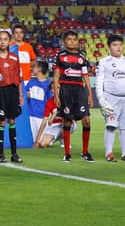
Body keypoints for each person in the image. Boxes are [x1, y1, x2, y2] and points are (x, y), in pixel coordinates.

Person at [95, 34, 125, 162]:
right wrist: (101, 99)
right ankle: (108, 153)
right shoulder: (104, 62)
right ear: (109, 47)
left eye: (120, 45)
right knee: (111, 125)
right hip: (111, 98)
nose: (118, 48)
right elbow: (99, 82)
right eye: (115, 45)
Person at [53, 29, 95, 163]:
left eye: (74, 39)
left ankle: (85, 152)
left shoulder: (82, 57)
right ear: (64, 42)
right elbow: (56, 76)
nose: (72, 41)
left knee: (86, 120)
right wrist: (56, 95)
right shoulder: (59, 56)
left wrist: (90, 94)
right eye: (69, 39)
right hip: (65, 89)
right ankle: (67, 153)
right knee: (67, 121)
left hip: (79, 89)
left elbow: (85, 75)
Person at [0, 28, 23, 164]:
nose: (2, 42)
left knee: (12, 121)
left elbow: (19, 79)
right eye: (0, 39)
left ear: (9, 41)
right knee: (1, 121)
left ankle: (14, 154)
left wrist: (20, 95)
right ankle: (1, 154)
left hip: (12, 92)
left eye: (5, 39)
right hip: (0, 93)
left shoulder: (14, 58)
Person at [24, 59, 54, 148]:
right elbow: (24, 94)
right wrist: (26, 96)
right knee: (32, 141)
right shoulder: (31, 81)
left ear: (40, 69)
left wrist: (50, 115)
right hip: (30, 114)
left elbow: (50, 101)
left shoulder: (48, 84)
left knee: (42, 142)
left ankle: (57, 137)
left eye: (34, 67)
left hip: (41, 116)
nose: (32, 69)